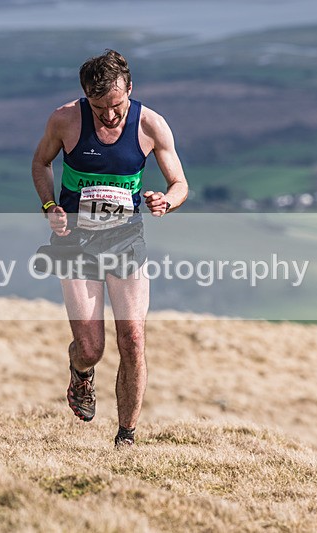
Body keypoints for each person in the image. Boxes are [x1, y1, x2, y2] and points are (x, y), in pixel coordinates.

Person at [32, 50, 189, 447]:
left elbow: (180, 184)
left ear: (130, 90)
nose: (110, 116)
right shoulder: (65, 119)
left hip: (126, 239)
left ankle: (126, 438)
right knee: (91, 347)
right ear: (86, 97)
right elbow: (40, 164)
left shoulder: (151, 125)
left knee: (133, 340)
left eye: (117, 105)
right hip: (75, 242)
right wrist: (51, 206)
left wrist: (165, 201)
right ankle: (80, 371)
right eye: (100, 107)